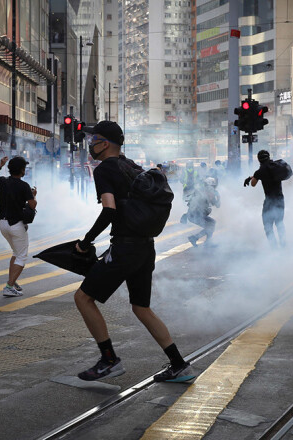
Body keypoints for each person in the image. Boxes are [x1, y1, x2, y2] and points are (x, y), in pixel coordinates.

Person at [74, 120, 195, 383]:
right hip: (145, 246)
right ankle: (179, 365)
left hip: (126, 248)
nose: (90, 145)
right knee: (141, 307)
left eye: (93, 140)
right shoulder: (132, 166)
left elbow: (109, 209)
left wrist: (86, 241)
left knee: (83, 298)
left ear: (104, 143)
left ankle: (109, 360)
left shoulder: (105, 170)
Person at [0, 156, 37, 297]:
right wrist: (33, 195)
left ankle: (12, 282)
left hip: (2, 224)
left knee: (15, 252)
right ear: (21, 170)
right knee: (21, 256)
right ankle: (9, 286)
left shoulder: (2, 181)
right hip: (16, 225)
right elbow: (32, 205)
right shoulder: (24, 186)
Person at [244, 150, 285, 248]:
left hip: (269, 202)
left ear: (259, 159)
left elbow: (253, 184)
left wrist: (252, 177)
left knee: (268, 226)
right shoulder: (276, 167)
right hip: (280, 200)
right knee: (279, 224)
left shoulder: (260, 171)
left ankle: (274, 247)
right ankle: (284, 245)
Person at [186, 177, 220, 247]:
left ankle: (204, 241)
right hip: (194, 215)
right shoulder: (203, 192)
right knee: (210, 226)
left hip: (195, 215)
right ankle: (196, 239)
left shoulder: (206, 192)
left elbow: (217, 205)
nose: (214, 188)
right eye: (213, 186)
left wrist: (218, 197)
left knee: (212, 223)